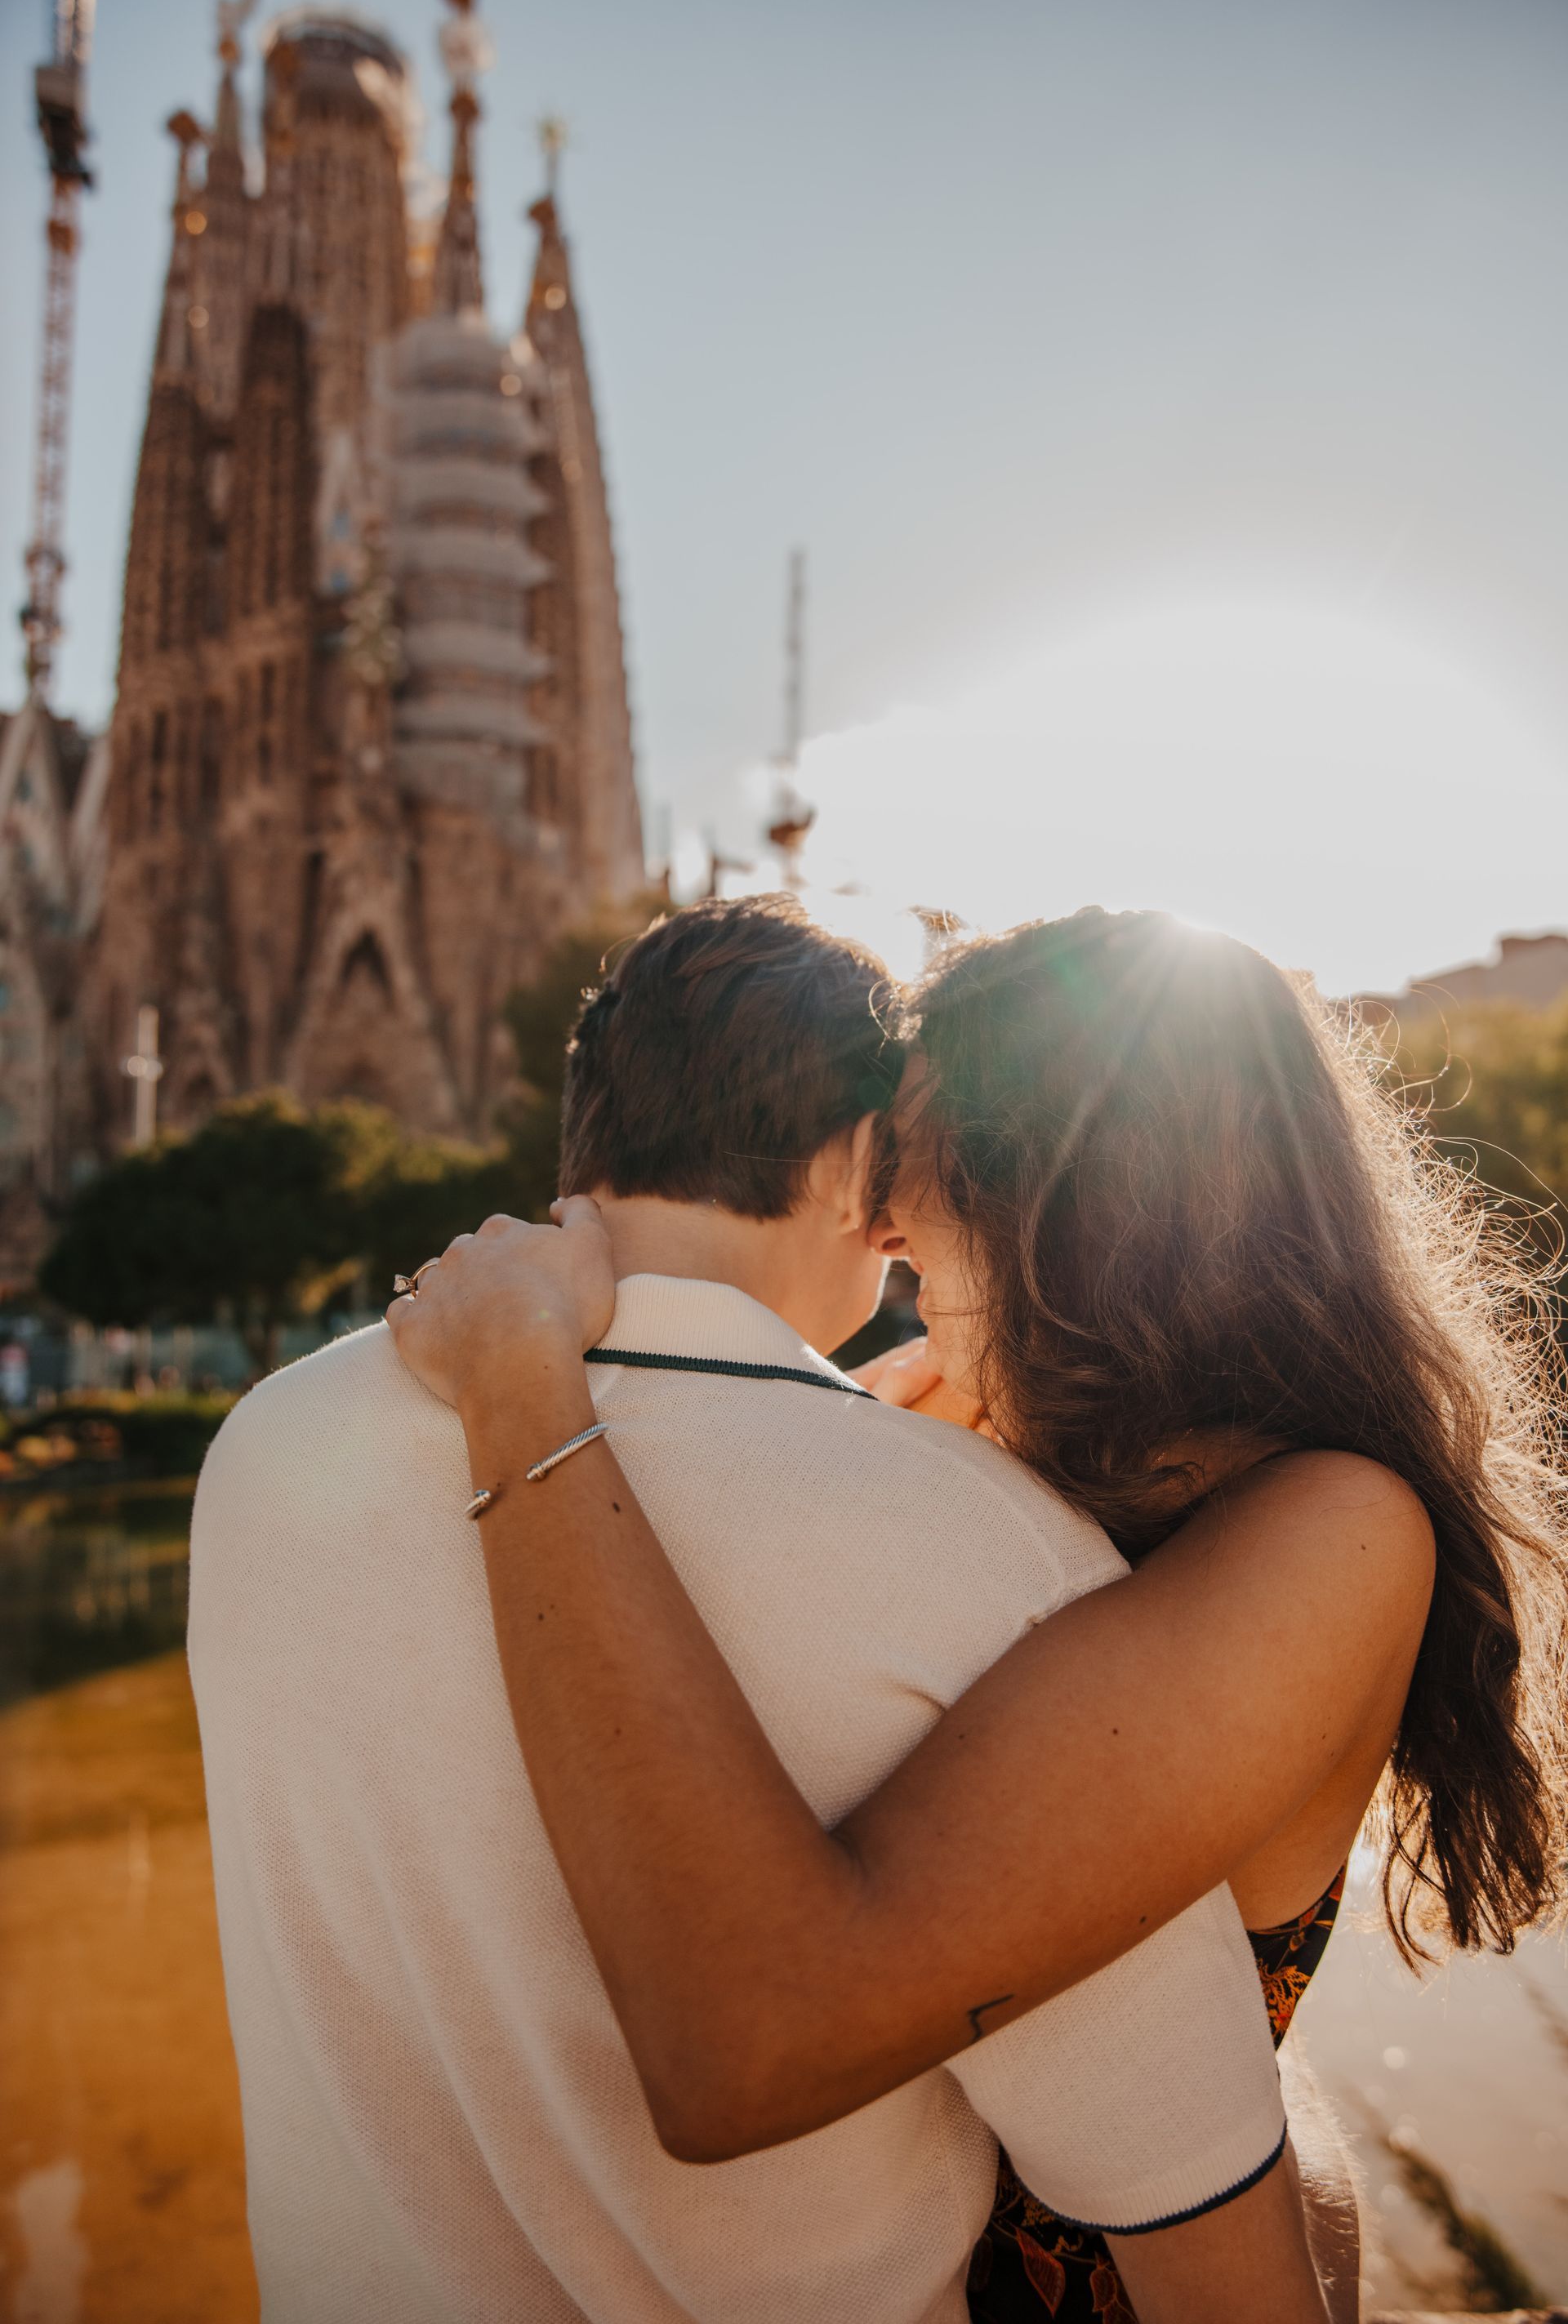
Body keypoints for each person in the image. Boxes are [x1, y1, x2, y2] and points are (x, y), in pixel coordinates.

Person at [390, 903, 1568, 2324]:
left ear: (1073, 1195)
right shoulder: (999, 1433)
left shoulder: (1336, 1534)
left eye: (927, 1166)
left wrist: (522, 1382)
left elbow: (746, 2044)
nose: (881, 1226)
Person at [192, 897, 1338, 2324]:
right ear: (866, 1162)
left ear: (586, 1131)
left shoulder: (264, 1451)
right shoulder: (988, 1547)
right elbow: (1194, 2218)